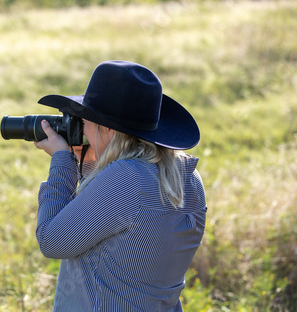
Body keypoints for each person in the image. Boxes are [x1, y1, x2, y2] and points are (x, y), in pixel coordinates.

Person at [33, 60, 206, 311]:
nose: (83, 128)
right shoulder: (186, 176)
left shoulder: (127, 177)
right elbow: (119, 224)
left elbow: (52, 241)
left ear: (109, 131)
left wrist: (63, 162)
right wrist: (90, 163)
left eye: (86, 120)